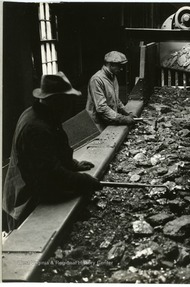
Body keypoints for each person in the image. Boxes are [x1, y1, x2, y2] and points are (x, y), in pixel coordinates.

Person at [3, 72, 102, 232]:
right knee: (34, 237)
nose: (69, 104)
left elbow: (55, 150)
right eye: (66, 100)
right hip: (26, 198)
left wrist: (73, 164)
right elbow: (52, 173)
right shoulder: (36, 128)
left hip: (35, 185)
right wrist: (84, 181)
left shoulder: (44, 114)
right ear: (56, 100)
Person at [86, 51, 135, 131]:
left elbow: (116, 99)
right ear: (110, 64)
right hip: (96, 126)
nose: (121, 69)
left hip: (109, 121)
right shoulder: (97, 79)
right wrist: (122, 118)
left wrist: (127, 113)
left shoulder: (113, 77)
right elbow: (101, 108)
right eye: (119, 66)